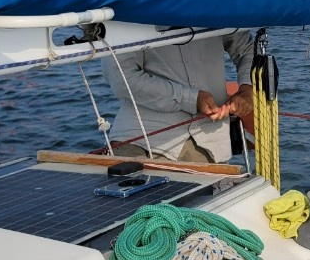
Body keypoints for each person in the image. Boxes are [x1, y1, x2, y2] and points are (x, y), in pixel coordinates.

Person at [102, 32, 255, 164]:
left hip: (211, 146)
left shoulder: (219, 9)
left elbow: (248, 49)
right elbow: (121, 79)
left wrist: (247, 88)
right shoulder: (132, 14)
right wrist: (191, 98)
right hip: (141, 142)